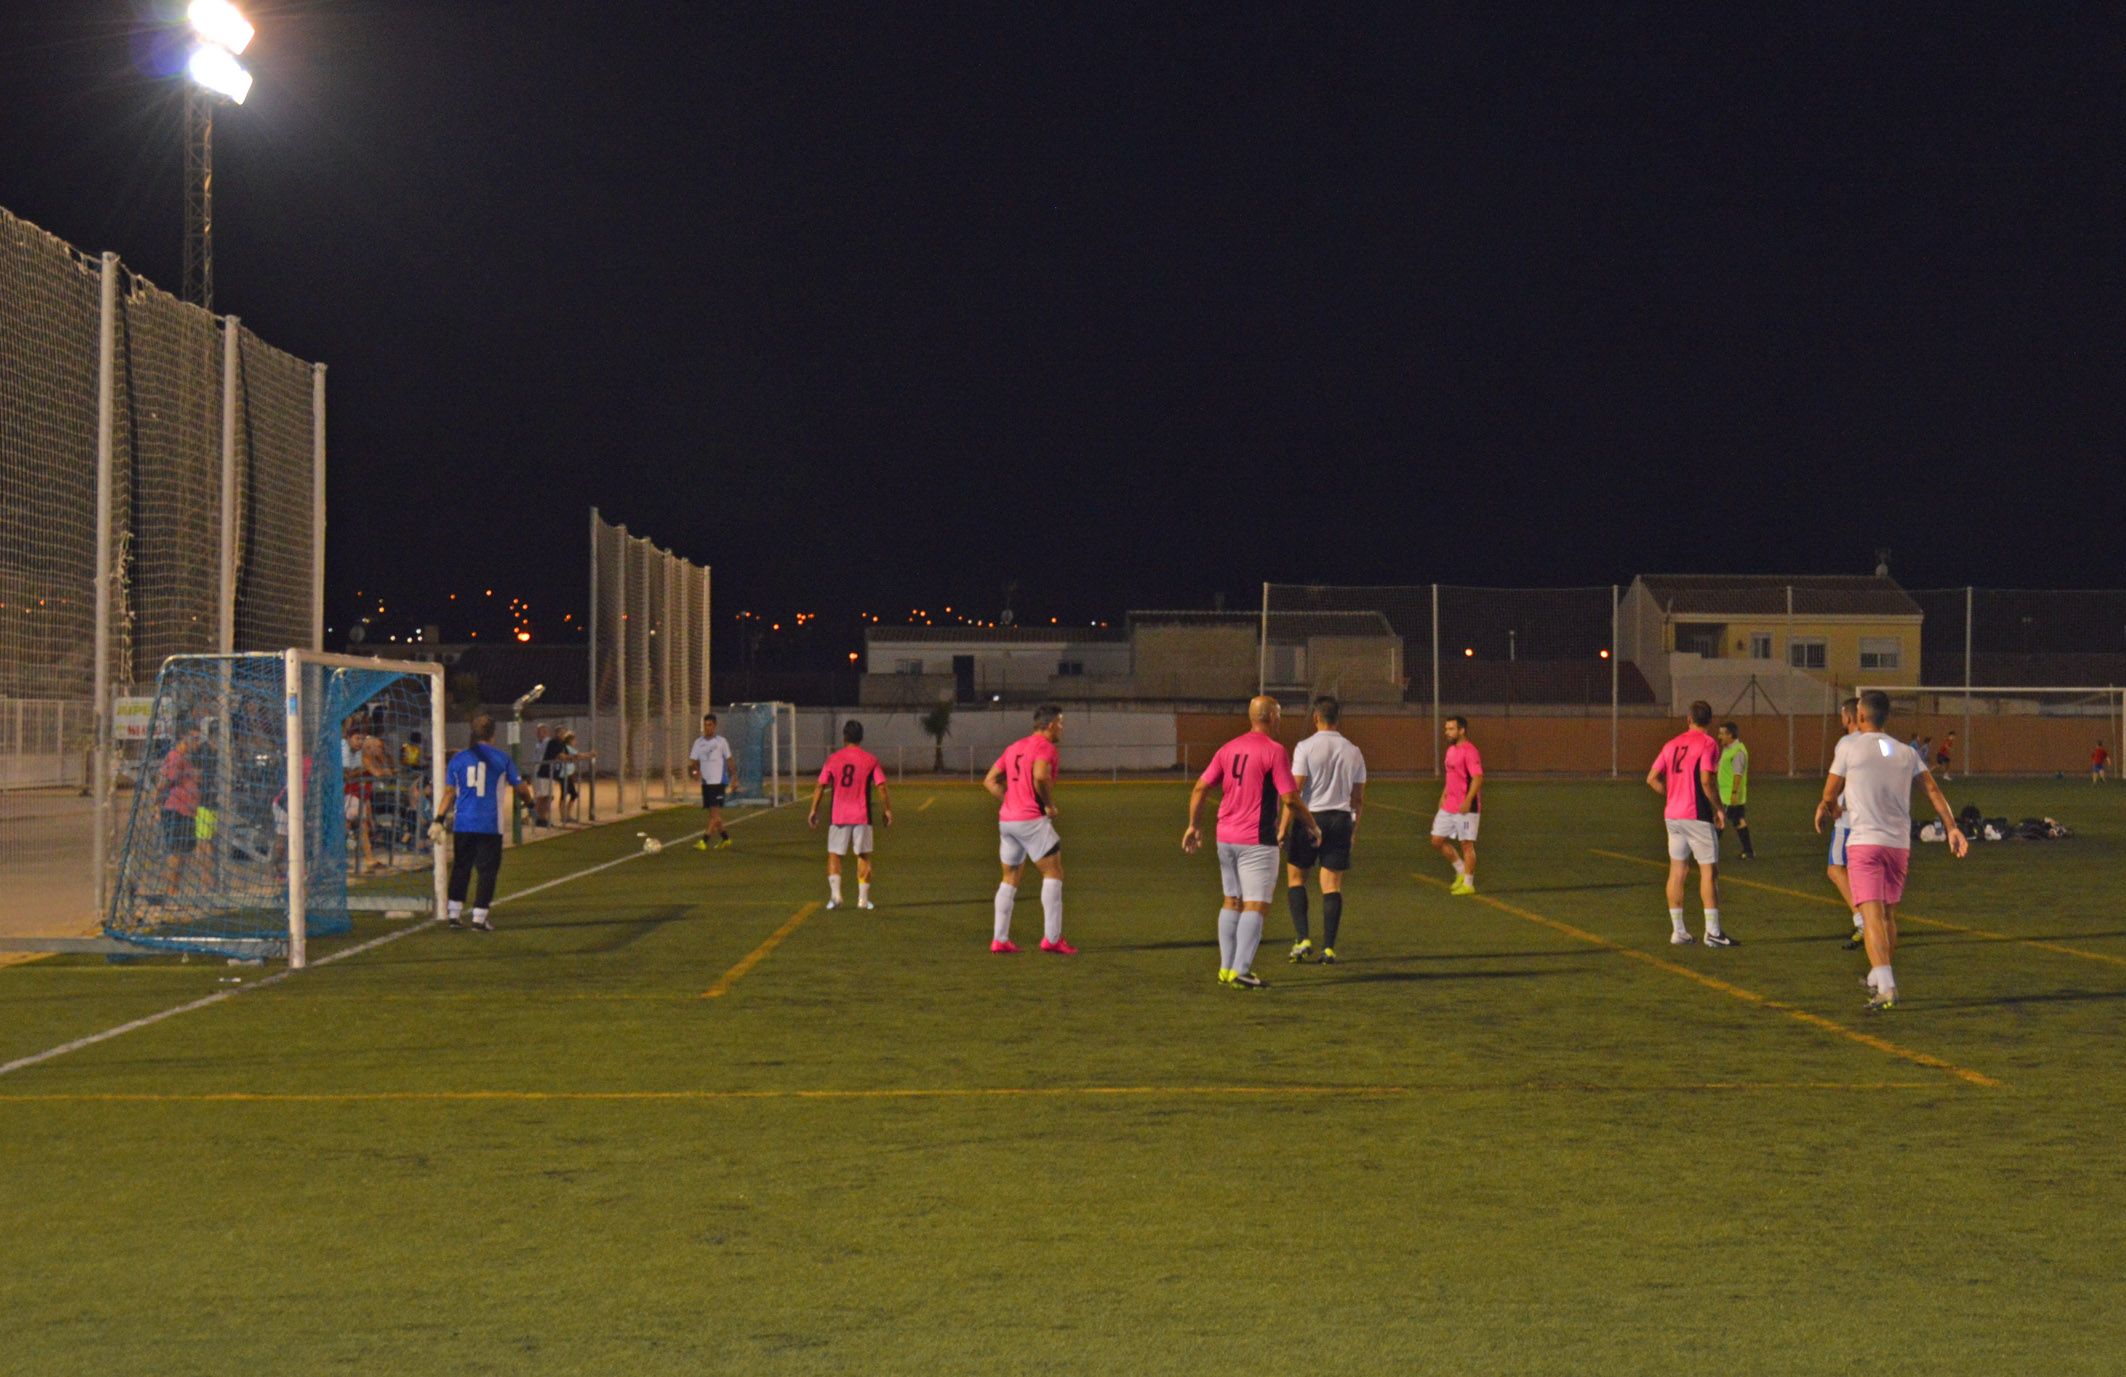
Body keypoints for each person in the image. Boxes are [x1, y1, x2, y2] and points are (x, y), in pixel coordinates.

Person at [1814, 690, 1968, 1011]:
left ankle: (1886, 987)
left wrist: (1829, 808)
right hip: (1898, 845)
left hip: (1865, 843)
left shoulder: (1848, 746)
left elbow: (1830, 792)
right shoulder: (1904, 751)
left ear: (1860, 715)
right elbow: (1932, 789)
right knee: (1888, 916)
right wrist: (1952, 827)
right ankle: (1878, 976)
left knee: (1871, 916)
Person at [1184, 696, 1320, 990]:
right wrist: (1312, 824)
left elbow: (1200, 787)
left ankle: (1225, 968)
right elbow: (1289, 798)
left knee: (1232, 900)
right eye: (1280, 715)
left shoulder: (1228, 748)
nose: (1282, 720)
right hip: (1256, 841)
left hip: (1225, 838)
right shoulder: (1274, 751)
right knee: (1256, 905)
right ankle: (1242, 970)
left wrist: (1194, 825)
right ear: (1270, 716)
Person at [430, 714, 535, 932]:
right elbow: (520, 787)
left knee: (461, 868)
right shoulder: (502, 758)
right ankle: (479, 917)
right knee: (487, 871)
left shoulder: (458, 759)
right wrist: (530, 802)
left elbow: (449, 793)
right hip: (489, 824)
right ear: (493, 735)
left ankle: (454, 914)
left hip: (463, 824)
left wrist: (439, 819)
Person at [982, 704, 1071, 954]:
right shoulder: (1046, 747)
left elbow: (989, 781)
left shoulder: (1014, 747)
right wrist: (1049, 806)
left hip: (1007, 822)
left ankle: (999, 939)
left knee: (1009, 878)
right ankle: (1052, 939)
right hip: (1031, 820)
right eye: (1061, 723)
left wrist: (1011, 801)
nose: (1062, 729)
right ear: (1051, 724)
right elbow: (1041, 776)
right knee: (1053, 873)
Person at [1646, 699, 1734, 947]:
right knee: (1709, 871)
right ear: (1710, 720)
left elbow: (1651, 778)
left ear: (1688, 719)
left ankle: (1679, 931)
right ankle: (1713, 932)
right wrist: (1719, 809)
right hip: (1696, 815)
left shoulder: (1671, 744)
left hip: (1672, 816)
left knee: (1677, 870)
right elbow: (1706, 780)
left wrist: (1672, 794)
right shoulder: (1708, 743)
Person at [1286, 696, 1365, 964]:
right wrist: (1352, 829)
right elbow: (1358, 799)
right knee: (1331, 886)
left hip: (1310, 817)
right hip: (1341, 819)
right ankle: (1328, 948)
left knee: (1296, 879)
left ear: (1316, 717)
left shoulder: (1305, 747)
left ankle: (1302, 938)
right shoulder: (1353, 750)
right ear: (1338, 718)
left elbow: (1294, 792)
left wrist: (1282, 828)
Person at [809, 719, 893, 910]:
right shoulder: (870, 760)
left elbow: (820, 785)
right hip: (862, 816)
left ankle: (836, 897)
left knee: (834, 855)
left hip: (839, 815)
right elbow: (882, 787)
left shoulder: (833, 759)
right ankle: (863, 900)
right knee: (863, 855)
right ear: (861, 738)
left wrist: (814, 809)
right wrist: (886, 810)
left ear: (844, 737)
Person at [1826, 698, 1868, 949]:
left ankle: (1862, 921)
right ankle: (1874, 923)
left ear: (1849, 716)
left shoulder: (1846, 742)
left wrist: (1827, 805)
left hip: (1848, 819)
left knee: (1835, 869)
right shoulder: (1883, 743)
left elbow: (1836, 780)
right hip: (1875, 820)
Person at [1428, 715, 1484, 895]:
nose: (1447, 732)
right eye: (1446, 729)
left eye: (1451, 729)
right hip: (1449, 805)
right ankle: (1460, 870)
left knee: (1466, 845)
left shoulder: (1470, 751)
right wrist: (1443, 794)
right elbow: (1451, 776)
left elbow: (1478, 777)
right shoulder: (1450, 751)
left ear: (1462, 730)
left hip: (1466, 807)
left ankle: (1468, 884)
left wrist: (1468, 800)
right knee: (1436, 840)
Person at [157, 723, 205, 897]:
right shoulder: (176, 757)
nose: (197, 743)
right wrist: (156, 805)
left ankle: (174, 889)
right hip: (176, 810)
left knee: (183, 852)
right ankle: (170, 889)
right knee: (176, 851)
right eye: (194, 738)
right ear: (183, 738)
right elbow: (165, 782)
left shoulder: (187, 758)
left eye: (199, 739)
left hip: (187, 811)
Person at [689, 714, 734, 850]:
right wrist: (695, 771)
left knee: (714, 815)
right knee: (714, 815)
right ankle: (726, 839)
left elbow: (729, 760)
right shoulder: (698, 743)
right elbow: (694, 761)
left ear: (714, 726)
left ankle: (704, 840)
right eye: (705, 725)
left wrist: (735, 777)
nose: (707, 728)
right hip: (706, 783)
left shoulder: (721, 742)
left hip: (718, 783)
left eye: (709, 725)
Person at [1716, 721, 1754, 860]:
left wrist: (1734, 794)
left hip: (1731, 795)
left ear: (1730, 735)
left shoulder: (1738, 752)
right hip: (1726, 794)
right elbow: (1722, 768)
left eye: (1722, 733)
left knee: (1720, 820)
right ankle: (1748, 851)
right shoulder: (1728, 749)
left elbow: (1738, 774)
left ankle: (1709, 852)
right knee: (1738, 820)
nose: (1719, 736)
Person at [531, 723, 558, 827]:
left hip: (547, 772)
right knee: (541, 797)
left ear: (546, 732)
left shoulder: (548, 742)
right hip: (540, 773)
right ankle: (537, 817)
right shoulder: (540, 744)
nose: (538, 734)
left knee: (548, 796)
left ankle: (542, 818)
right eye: (537, 732)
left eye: (540, 731)